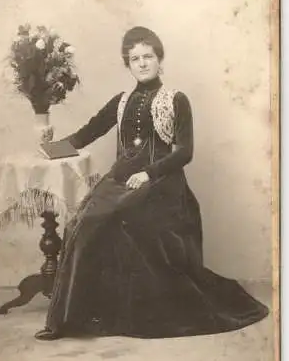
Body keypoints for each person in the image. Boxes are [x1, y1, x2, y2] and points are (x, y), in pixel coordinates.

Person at [35, 26, 269, 340]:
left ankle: (117, 313)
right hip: (120, 178)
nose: (143, 63)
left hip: (162, 182)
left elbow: (185, 152)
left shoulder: (176, 99)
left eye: (148, 56)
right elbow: (88, 132)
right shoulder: (121, 100)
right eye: (135, 59)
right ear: (128, 65)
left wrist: (148, 173)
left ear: (159, 60)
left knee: (117, 218)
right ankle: (71, 320)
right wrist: (51, 147)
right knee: (82, 221)